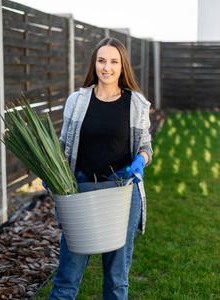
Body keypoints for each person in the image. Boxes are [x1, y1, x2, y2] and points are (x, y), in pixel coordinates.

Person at [48, 37, 152, 299]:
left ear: (122, 66)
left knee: (117, 280)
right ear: (94, 64)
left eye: (114, 61)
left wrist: (140, 160)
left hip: (120, 193)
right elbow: (64, 144)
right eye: (102, 60)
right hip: (80, 192)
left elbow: (145, 147)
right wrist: (50, 170)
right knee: (66, 277)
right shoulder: (78, 100)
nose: (107, 67)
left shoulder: (136, 103)